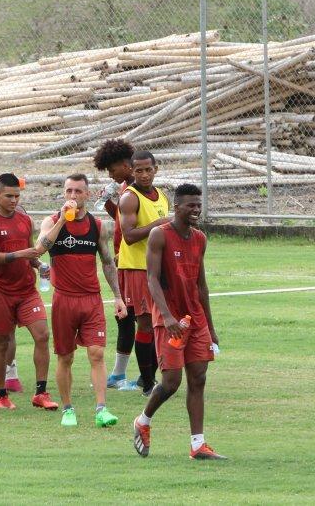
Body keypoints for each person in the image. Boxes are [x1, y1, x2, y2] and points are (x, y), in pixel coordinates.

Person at [131, 183, 224, 461]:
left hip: (196, 320)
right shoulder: (160, 235)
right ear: (176, 207)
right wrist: (168, 316)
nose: (196, 210)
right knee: (171, 382)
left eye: (198, 205)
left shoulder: (200, 239)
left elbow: (202, 286)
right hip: (169, 321)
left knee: (199, 378)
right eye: (190, 205)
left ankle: (198, 445)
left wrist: (211, 327)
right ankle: (143, 421)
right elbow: (151, 279)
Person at [40, 174, 125, 428]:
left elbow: (108, 262)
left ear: (87, 194)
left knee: (97, 353)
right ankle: (68, 409)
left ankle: (101, 409)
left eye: (78, 191)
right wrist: (61, 221)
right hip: (64, 300)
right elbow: (41, 247)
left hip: (91, 300)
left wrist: (118, 297)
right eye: (69, 191)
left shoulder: (97, 226)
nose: (73, 196)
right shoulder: (52, 220)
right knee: (65, 358)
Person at [0, 173, 57, 411]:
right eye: (9, 196)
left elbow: (30, 252)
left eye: (17, 196)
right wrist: (24, 254)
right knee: (1, 343)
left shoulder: (24, 220)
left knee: (42, 335)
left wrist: (39, 265)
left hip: (26, 290)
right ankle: (1, 395)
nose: (14, 200)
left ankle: (41, 393)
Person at [117, 150, 171, 395]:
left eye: (148, 169)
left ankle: (146, 378)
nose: (144, 174)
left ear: (156, 168)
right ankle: (148, 384)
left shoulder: (162, 195)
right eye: (138, 170)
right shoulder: (130, 198)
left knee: (159, 322)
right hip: (137, 268)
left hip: (156, 267)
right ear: (132, 171)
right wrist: (158, 226)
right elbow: (128, 236)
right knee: (146, 323)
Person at [93, 139, 138, 390]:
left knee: (134, 315)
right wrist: (110, 204)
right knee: (124, 314)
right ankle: (119, 374)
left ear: (125, 165)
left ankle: (143, 375)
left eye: (112, 170)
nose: (110, 175)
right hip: (123, 260)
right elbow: (122, 219)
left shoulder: (137, 190)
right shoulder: (124, 189)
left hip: (134, 263)